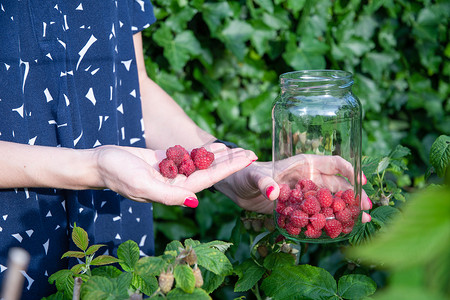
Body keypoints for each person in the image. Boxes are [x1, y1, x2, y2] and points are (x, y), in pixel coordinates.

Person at [0, 0, 371, 298]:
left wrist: (234, 170)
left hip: (113, 223)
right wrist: (95, 167)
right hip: (15, 236)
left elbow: (133, 86)